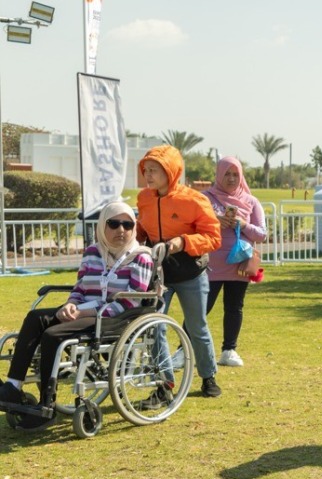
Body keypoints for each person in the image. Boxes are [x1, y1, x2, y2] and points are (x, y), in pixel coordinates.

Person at [0, 201, 156, 428]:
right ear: (102, 226)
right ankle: (13, 386)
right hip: (87, 310)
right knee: (36, 317)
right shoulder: (93, 252)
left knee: (53, 334)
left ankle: (47, 405)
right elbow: (81, 288)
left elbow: (131, 300)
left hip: (117, 316)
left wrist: (87, 311)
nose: (121, 230)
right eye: (113, 224)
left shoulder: (141, 257)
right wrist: (72, 305)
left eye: (127, 224)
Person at [136, 146, 224, 399]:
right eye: (146, 170)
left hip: (191, 273)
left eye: (154, 170)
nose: (148, 175)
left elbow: (212, 237)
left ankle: (208, 377)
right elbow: (142, 228)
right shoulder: (144, 198)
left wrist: (182, 242)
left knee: (197, 327)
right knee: (154, 327)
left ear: (171, 171)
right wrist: (136, 238)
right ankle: (165, 385)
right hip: (158, 274)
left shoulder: (194, 199)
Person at [202, 156, 267, 368]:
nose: (231, 178)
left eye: (235, 174)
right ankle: (183, 350)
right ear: (219, 175)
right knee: (201, 308)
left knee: (234, 307)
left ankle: (229, 350)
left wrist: (243, 224)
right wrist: (215, 221)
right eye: (227, 174)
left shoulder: (251, 201)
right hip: (210, 265)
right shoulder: (205, 198)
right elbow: (193, 224)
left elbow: (262, 234)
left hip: (239, 265)